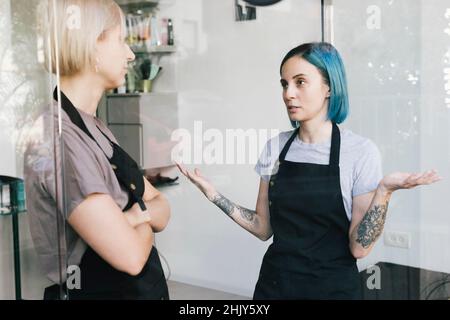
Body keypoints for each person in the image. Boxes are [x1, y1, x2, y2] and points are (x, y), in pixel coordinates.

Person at [176, 42, 441, 300]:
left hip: (332, 290)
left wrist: (384, 192)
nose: (288, 93)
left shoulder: (360, 152)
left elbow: (359, 248)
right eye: (284, 83)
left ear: (328, 87)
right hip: (276, 285)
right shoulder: (275, 148)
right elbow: (262, 228)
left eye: (300, 82)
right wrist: (214, 196)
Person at [23, 0, 171, 300]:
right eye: (120, 40)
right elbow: (129, 256)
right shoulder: (59, 137)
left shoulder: (94, 126)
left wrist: (131, 218)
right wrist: (142, 216)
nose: (130, 54)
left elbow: (163, 209)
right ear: (92, 47)